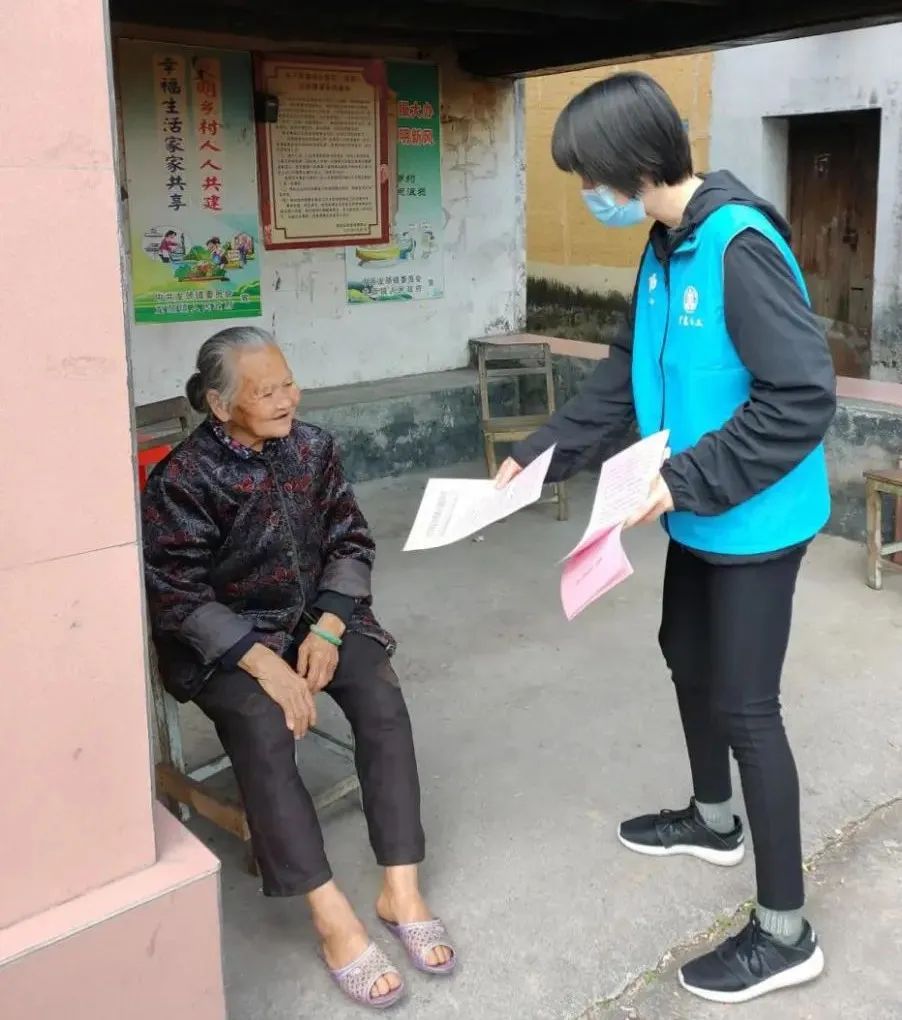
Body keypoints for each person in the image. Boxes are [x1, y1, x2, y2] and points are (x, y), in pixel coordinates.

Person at [496, 72, 835, 1004]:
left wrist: (682, 479)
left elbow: (801, 396)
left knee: (748, 708)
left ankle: (785, 932)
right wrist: (538, 456)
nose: (585, 193)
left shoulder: (736, 245)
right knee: (685, 652)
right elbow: (627, 372)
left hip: (754, 519)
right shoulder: (664, 245)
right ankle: (712, 819)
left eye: (588, 175)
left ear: (632, 163)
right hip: (696, 510)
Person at [142, 326, 455, 1010]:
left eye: (288, 383)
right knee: (263, 723)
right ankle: (330, 915)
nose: (288, 399)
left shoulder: (313, 448)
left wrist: (332, 623)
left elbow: (351, 539)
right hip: (225, 641)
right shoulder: (183, 479)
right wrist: (262, 663)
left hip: (314, 617)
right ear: (220, 405)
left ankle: (401, 889)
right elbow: (176, 593)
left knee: (379, 693)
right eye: (267, 391)